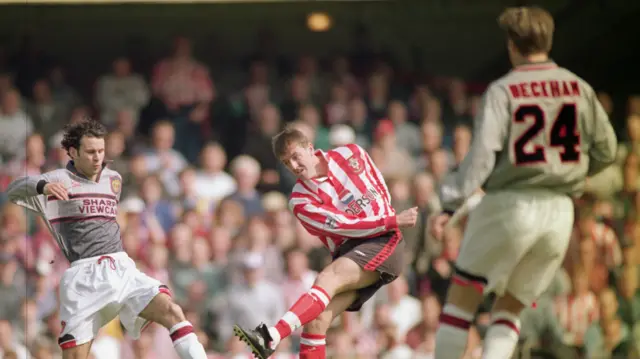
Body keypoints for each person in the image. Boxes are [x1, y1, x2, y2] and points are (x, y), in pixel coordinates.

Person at [428, 6, 618, 359]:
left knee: (461, 300)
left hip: (511, 202)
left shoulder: (503, 90)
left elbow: (481, 157)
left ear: (512, 44)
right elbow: (607, 149)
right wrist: (572, 172)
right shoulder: (579, 87)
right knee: (511, 307)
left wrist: (450, 203)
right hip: (560, 213)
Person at [5, 120, 208, 359]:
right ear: (73, 152)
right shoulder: (58, 178)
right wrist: (43, 186)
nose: (97, 157)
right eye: (90, 152)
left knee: (172, 311)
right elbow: (14, 190)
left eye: (101, 151)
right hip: (84, 276)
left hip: (120, 267)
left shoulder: (114, 179)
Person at [233, 126, 418, 359]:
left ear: (310, 148)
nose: (294, 166)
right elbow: (342, 224)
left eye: (295, 156)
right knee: (316, 322)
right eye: (286, 162)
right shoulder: (300, 200)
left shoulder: (352, 154)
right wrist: (391, 219)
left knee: (325, 279)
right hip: (354, 249)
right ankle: (272, 337)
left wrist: (390, 221)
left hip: (383, 241)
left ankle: (271, 336)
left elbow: (380, 189)